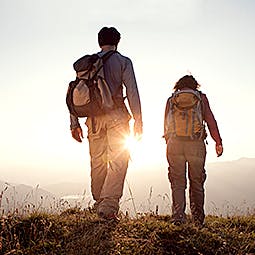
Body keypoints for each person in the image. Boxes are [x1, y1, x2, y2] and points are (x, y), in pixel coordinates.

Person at [69, 27, 143, 220]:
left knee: (97, 161)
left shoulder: (89, 63)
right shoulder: (123, 62)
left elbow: (75, 92)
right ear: (117, 42)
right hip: (117, 116)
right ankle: (107, 207)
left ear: (99, 42)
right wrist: (138, 120)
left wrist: (74, 123)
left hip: (93, 120)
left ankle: (98, 201)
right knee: (119, 160)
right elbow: (132, 92)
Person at [163, 75, 223, 226]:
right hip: (195, 144)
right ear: (195, 85)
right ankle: (197, 219)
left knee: (177, 182)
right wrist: (218, 141)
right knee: (197, 182)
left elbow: (165, 123)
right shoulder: (200, 98)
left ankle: (178, 217)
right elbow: (210, 120)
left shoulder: (171, 100)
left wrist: (169, 142)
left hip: (174, 144)